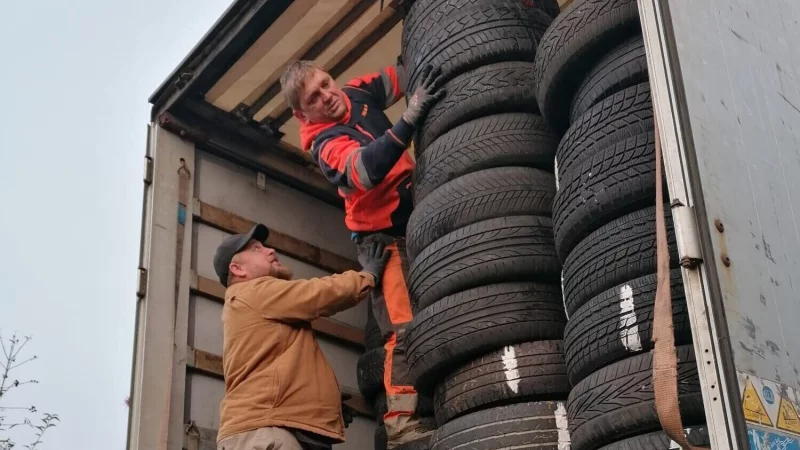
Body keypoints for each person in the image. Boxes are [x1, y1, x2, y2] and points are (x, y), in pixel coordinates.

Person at [280, 60, 444, 447]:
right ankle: (401, 422)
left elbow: (406, 73)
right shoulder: (326, 145)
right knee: (402, 328)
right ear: (301, 113)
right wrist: (409, 119)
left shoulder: (357, 91)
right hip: (384, 239)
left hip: (420, 214)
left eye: (325, 83)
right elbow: (364, 170)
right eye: (314, 98)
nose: (327, 96)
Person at [213, 223, 390, 450]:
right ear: (238, 270)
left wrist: (322, 407)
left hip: (268, 428)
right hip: (265, 430)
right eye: (256, 249)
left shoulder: (253, 305)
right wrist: (367, 276)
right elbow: (318, 294)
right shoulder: (252, 292)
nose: (270, 250)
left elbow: (276, 370)